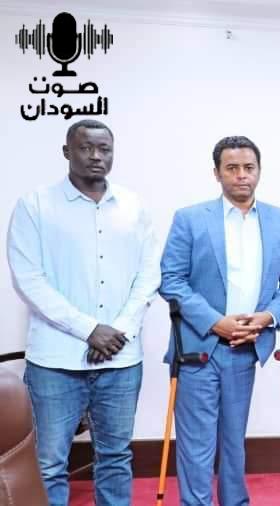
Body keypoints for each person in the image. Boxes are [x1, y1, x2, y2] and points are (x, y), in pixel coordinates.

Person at [7, 119, 159, 505]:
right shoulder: (35, 206)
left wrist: (118, 330)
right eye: (85, 147)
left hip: (121, 361)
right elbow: (29, 280)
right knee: (49, 463)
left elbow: (148, 276)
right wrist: (90, 329)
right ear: (66, 152)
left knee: (116, 458)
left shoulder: (134, 207)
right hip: (55, 362)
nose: (95, 156)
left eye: (104, 149)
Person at [159, 136, 280, 505]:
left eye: (249, 168)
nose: (242, 175)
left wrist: (267, 317)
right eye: (232, 168)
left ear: (259, 171)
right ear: (217, 173)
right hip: (199, 349)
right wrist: (215, 322)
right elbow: (171, 279)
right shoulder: (190, 219)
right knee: (197, 445)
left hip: (246, 348)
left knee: (233, 442)